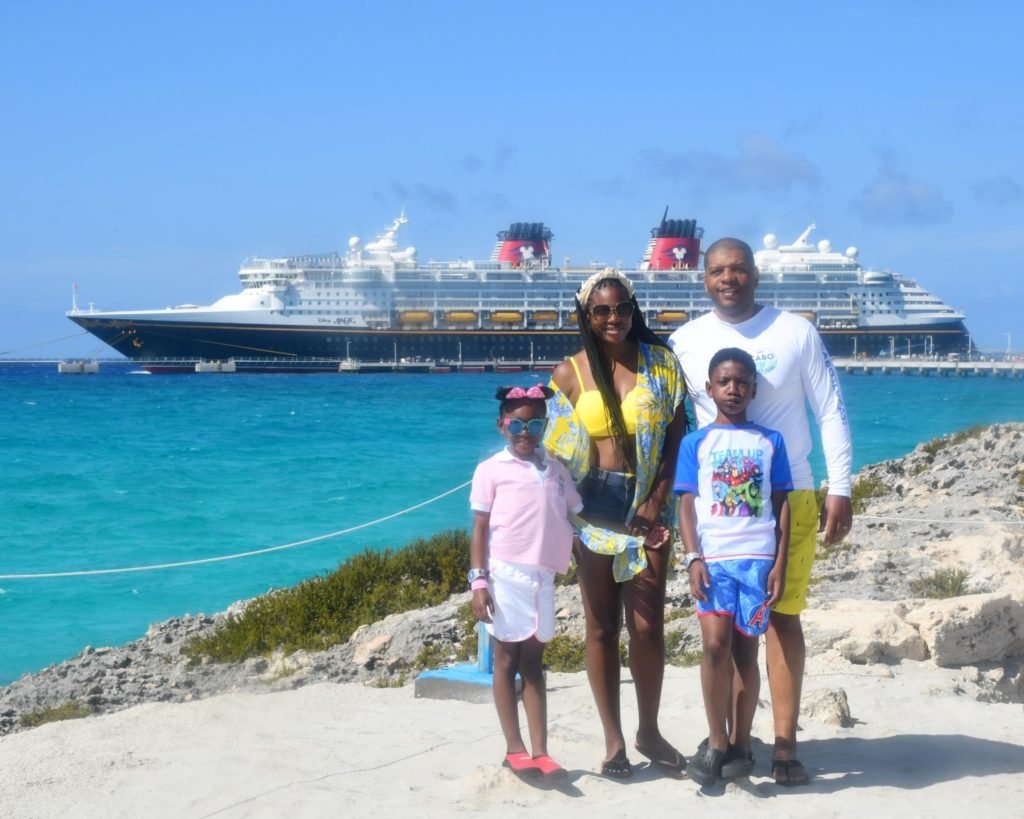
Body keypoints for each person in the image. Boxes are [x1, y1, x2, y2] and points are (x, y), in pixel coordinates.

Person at [669, 238, 853, 786]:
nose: (730, 278)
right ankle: (729, 740)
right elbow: (669, 424)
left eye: (739, 269)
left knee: (782, 619)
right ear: (704, 278)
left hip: (788, 493)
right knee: (723, 633)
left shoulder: (796, 330)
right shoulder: (685, 340)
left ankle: (786, 746)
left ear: (755, 273)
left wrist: (838, 485)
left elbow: (830, 409)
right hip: (715, 512)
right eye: (719, 270)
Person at [545, 268, 689, 778]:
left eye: (621, 308)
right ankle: (613, 741)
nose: (613, 318)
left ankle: (649, 729)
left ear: (634, 309)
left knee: (647, 627)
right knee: (602, 627)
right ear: (586, 315)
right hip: (591, 509)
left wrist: (658, 498)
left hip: (646, 504)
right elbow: (553, 452)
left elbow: (677, 440)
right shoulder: (569, 374)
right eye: (602, 310)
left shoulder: (662, 366)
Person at [674, 347, 792, 786]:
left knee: (746, 652)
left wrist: (779, 563)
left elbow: (781, 505)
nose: (733, 389)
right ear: (709, 388)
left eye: (742, 382)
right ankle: (716, 740)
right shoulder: (695, 442)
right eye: (724, 381)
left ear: (754, 389)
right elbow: (686, 506)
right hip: (714, 561)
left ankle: (742, 743)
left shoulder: (771, 441)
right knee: (714, 647)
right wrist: (693, 557)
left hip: (757, 562)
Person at [469, 384, 583, 780]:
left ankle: (541, 749)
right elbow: (480, 531)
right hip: (504, 574)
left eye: (534, 423)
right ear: (502, 426)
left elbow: (576, 514)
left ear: (544, 426)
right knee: (505, 659)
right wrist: (478, 582)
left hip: (544, 578)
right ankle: (514, 747)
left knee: (534, 662)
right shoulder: (490, 471)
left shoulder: (555, 469)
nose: (524, 432)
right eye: (516, 424)